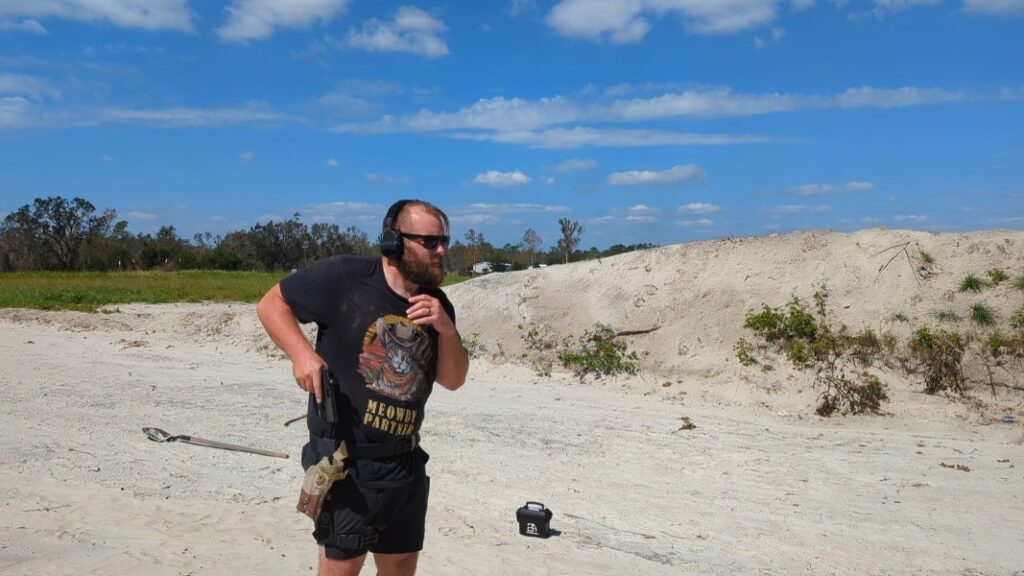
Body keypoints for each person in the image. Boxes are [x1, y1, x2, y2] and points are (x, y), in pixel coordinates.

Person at [257, 199, 469, 576]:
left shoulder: (436, 304)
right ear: (394, 241)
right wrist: (301, 355)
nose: (441, 251)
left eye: (444, 241)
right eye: (430, 242)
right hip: (348, 465)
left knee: (402, 565)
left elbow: (453, 379)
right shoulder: (345, 276)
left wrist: (446, 329)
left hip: (404, 464)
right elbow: (272, 304)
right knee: (342, 568)